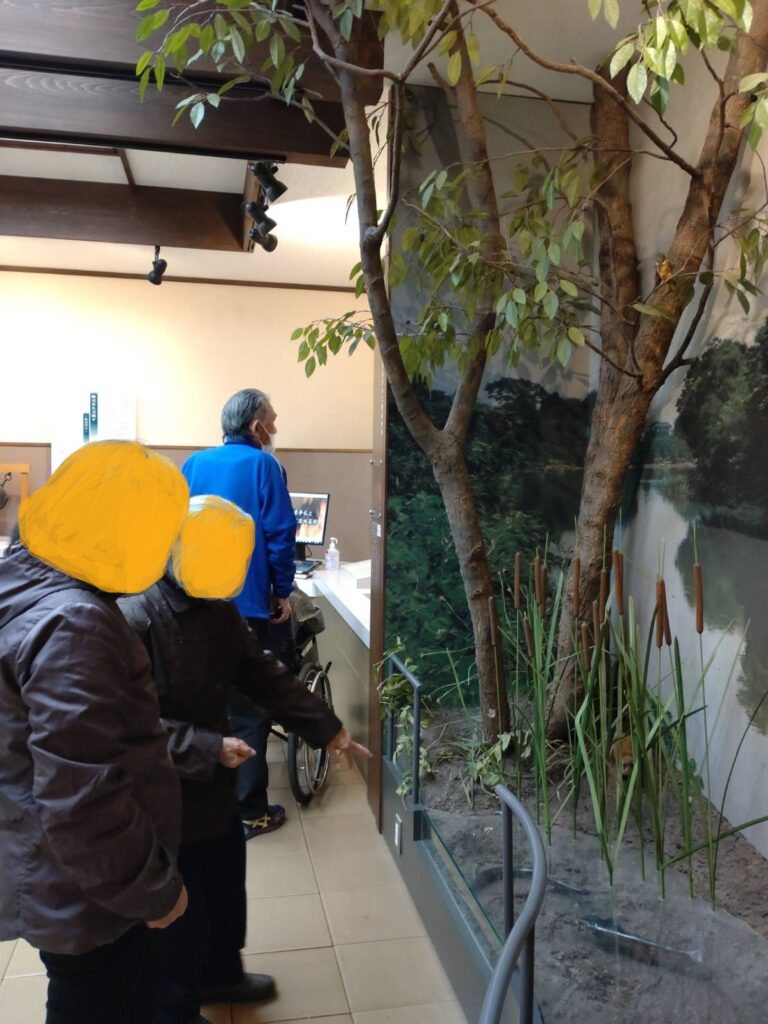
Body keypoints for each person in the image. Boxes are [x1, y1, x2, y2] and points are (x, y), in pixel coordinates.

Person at [119, 495, 370, 1024]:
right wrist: (206, 747)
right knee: (179, 914)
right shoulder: (135, 614)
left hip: (213, 787)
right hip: (163, 795)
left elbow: (263, 673)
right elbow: (124, 726)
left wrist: (327, 729)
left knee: (225, 888)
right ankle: (178, 1009)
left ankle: (222, 974)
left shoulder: (216, 609)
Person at [0, 441, 191, 1024]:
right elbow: (81, 793)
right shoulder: (74, 622)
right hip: (89, 889)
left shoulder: (25, 584)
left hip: (56, 867)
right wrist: (151, 890)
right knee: (98, 999)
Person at [181, 389, 297, 839]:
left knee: (202, 702)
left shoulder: (193, 464)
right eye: (273, 420)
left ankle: (205, 802)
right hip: (244, 606)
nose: (275, 428)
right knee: (247, 709)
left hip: (192, 604)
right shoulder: (265, 467)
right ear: (256, 427)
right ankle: (251, 811)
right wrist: (282, 591)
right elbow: (280, 533)